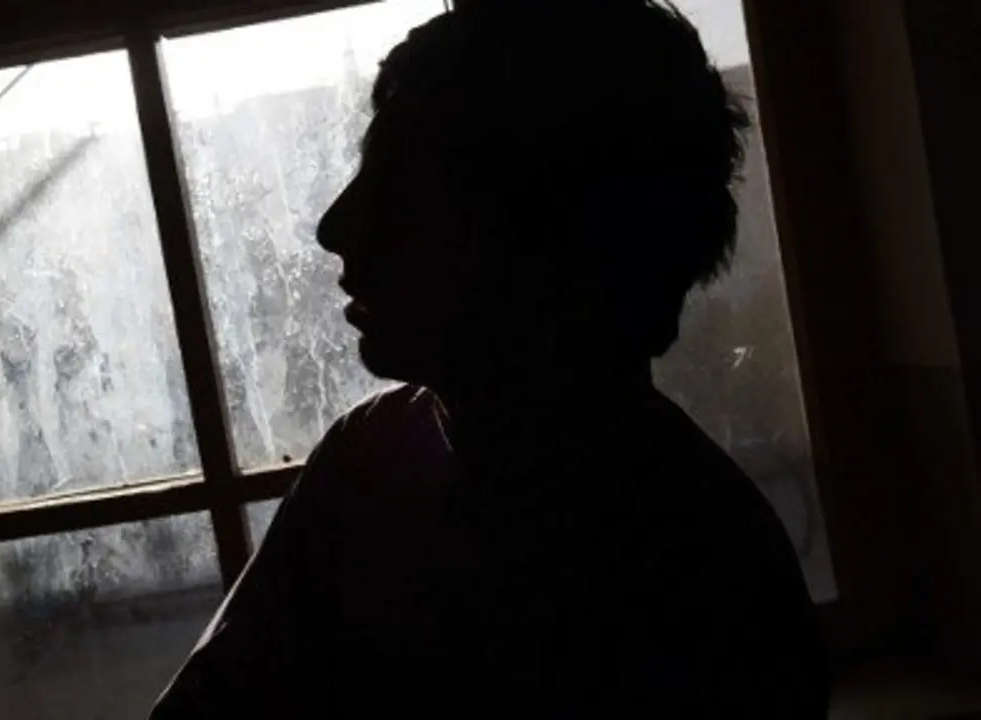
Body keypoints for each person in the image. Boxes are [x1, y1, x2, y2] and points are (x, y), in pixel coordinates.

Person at [152, 1, 829, 717]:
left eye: (401, 185)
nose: (334, 226)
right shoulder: (368, 454)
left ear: (552, 239)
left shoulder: (704, 580)